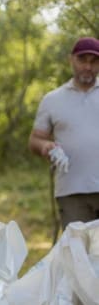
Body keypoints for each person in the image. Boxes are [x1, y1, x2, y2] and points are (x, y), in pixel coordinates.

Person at [28, 36, 99, 231]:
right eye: (82, 60)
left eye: (94, 61)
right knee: (78, 255)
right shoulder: (52, 100)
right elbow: (35, 139)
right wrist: (45, 146)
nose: (88, 67)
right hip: (71, 192)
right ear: (71, 60)